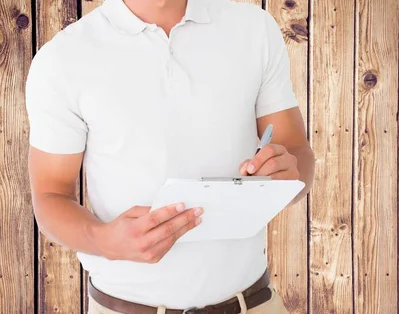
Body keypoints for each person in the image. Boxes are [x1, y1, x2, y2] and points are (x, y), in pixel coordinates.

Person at [25, 0, 315, 312]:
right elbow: (50, 194)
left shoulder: (255, 29)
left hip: (253, 303)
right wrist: (104, 240)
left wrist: (287, 174)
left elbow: (298, 153)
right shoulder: (64, 58)